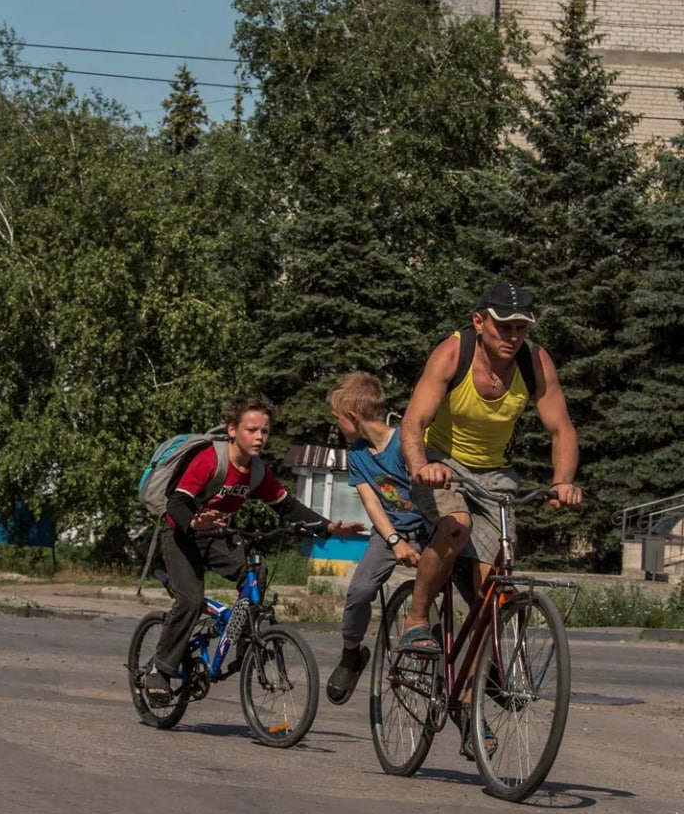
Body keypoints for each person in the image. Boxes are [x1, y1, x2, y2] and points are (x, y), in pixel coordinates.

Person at [399, 281, 582, 754]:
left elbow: (561, 427)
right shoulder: (452, 353)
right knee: (454, 524)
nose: (513, 335)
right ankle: (417, 618)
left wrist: (563, 479)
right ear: (480, 322)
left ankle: (464, 703)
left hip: (496, 474)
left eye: (521, 327)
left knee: (494, 595)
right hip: (441, 463)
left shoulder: (534, 363)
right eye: (504, 325)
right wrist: (421, 467)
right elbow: (414, 422)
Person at [144, 394, 364, 705]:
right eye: (252, 430)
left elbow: (287, 506)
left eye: (264, 431)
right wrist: (194, 522)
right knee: (191, 599)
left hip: (217, 535)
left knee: (255, 570)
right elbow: (177, 501)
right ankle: (161, 670)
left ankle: (248, 645)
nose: (259, 437)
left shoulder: (257, 471)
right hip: (181, 533)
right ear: (233, 430)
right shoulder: (210, 458)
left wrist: (329, 528)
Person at [324, 372, 426, 706]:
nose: (337, 426)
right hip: (388, 533)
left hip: (427, 529)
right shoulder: (357, 454)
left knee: (457, 584)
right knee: (360, 590)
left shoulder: (405, 442)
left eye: (338, 419)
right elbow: (372, 503)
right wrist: (395, 540)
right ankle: (352, 653)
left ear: (353, 416)